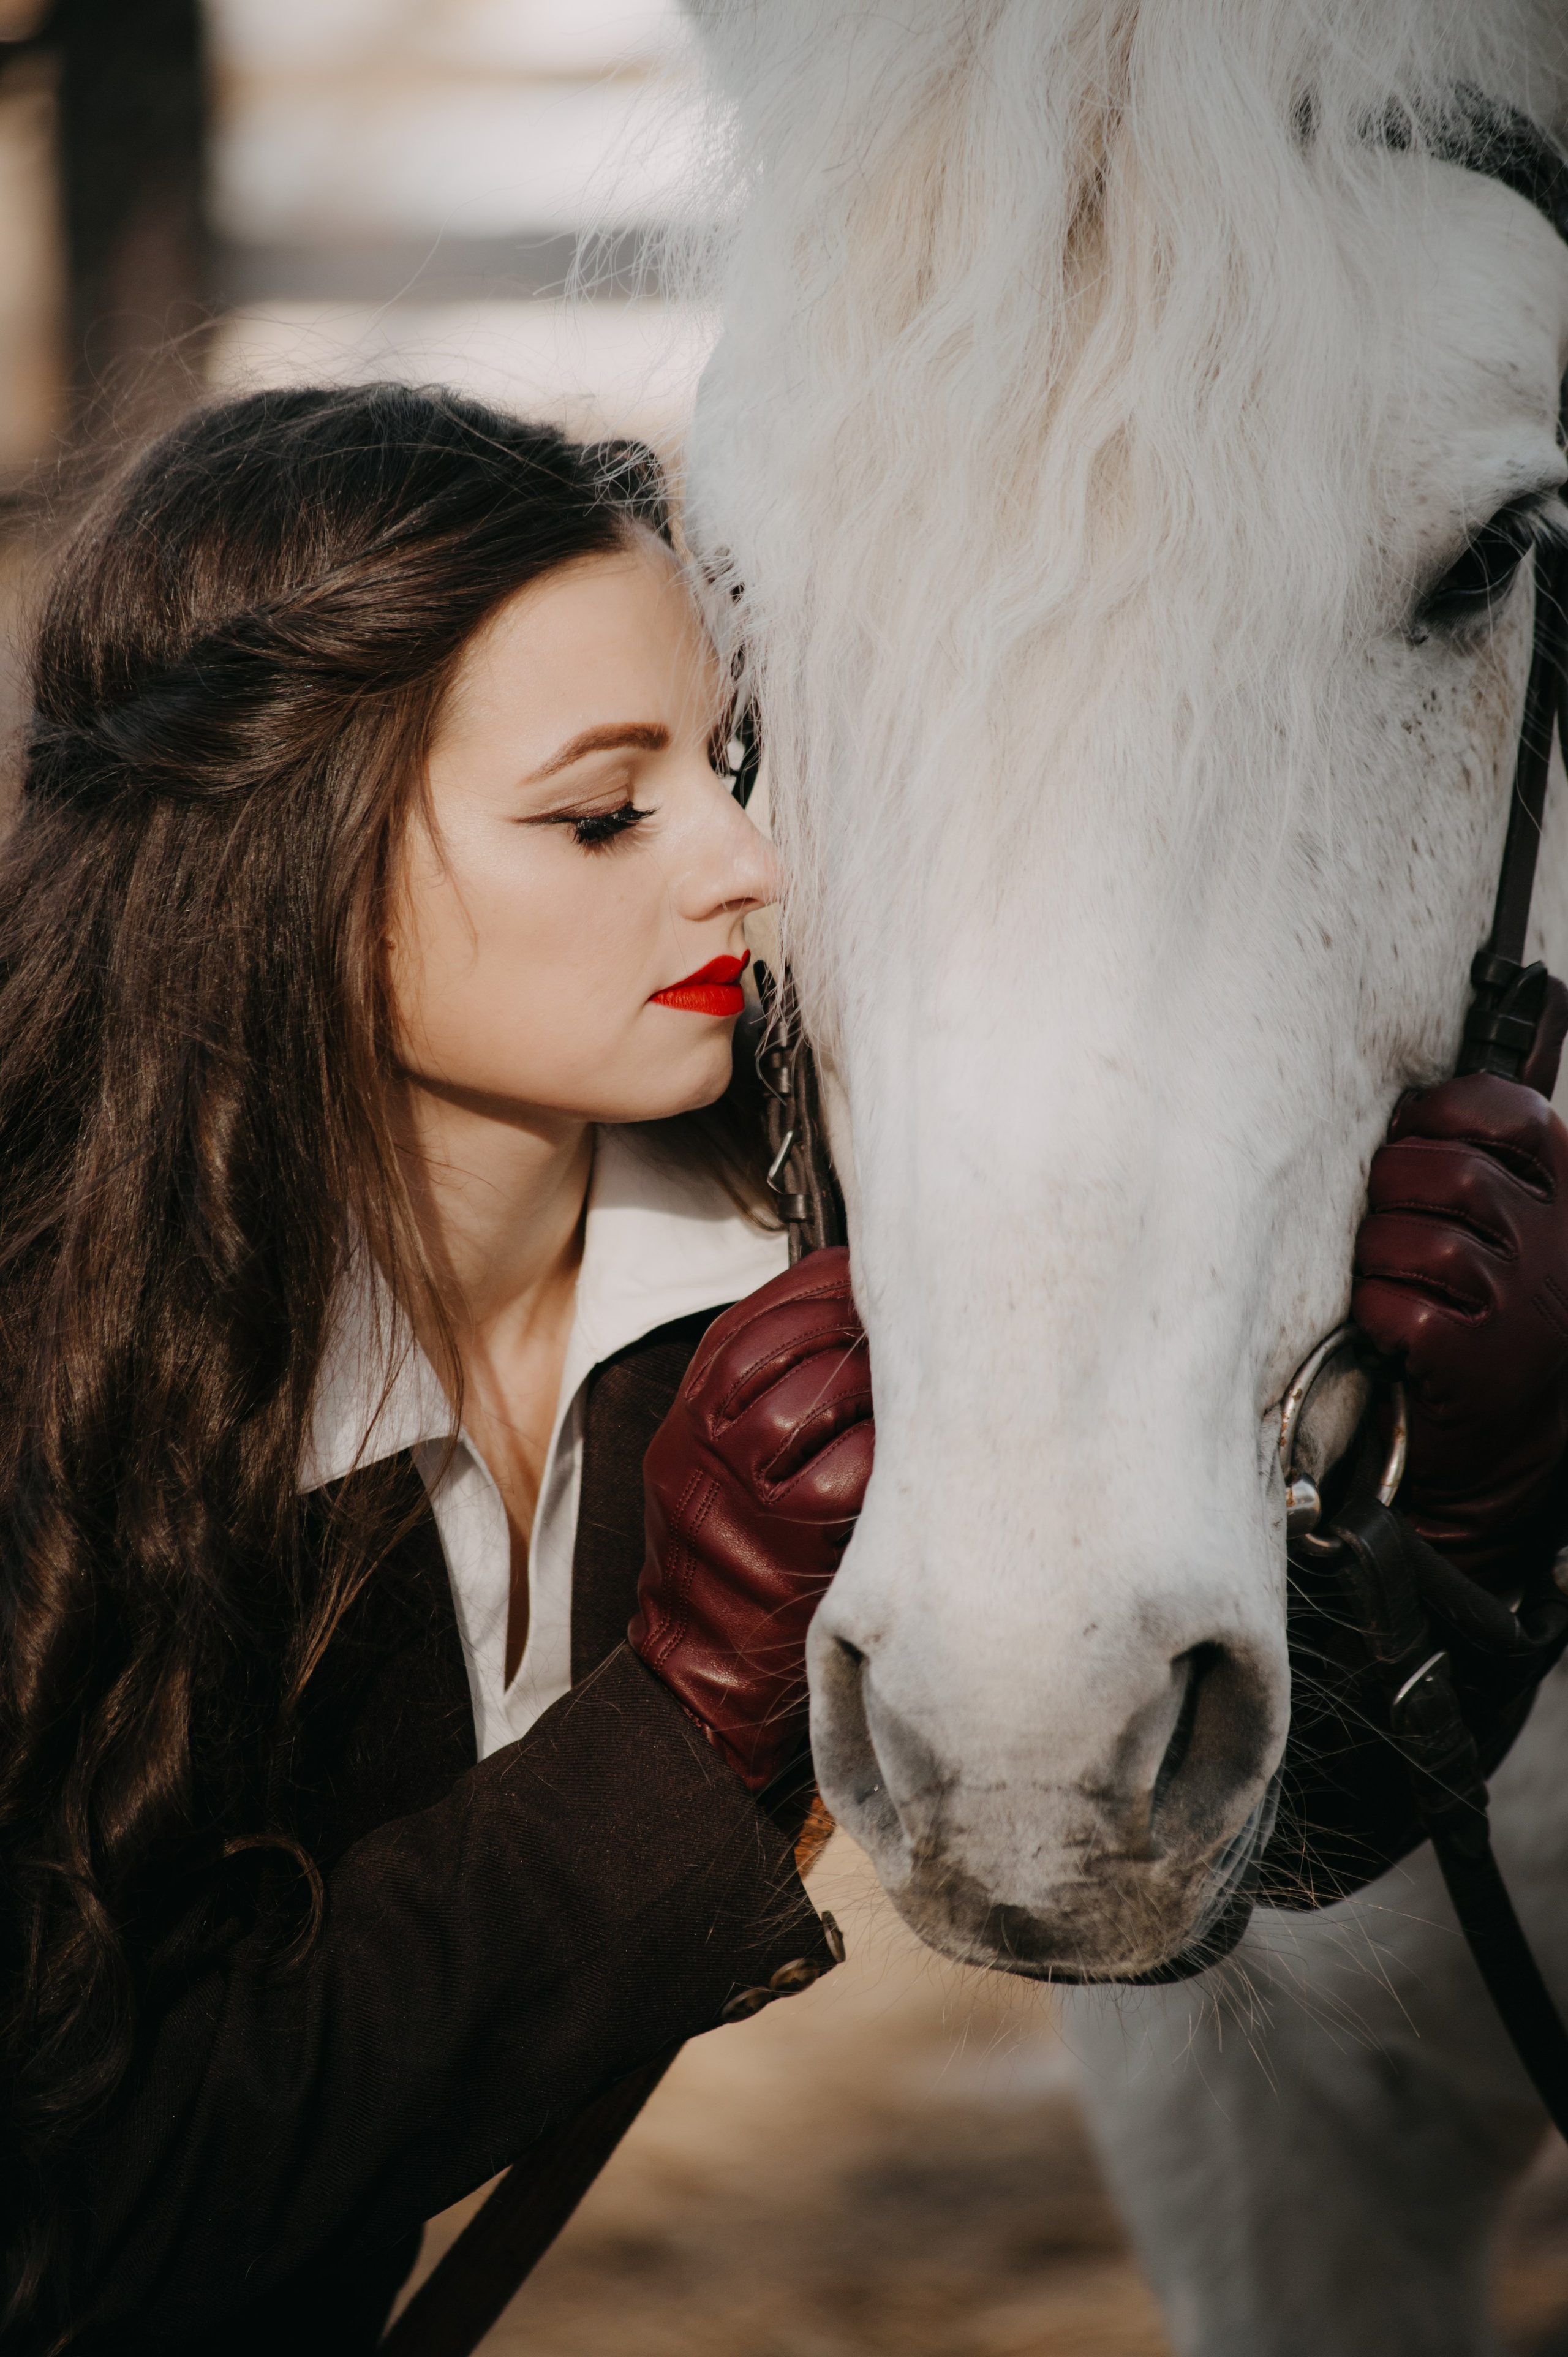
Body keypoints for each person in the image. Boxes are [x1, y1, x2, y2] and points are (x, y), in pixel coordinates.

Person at [0, 383, 871, 2354]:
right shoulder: (54, 1391)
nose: (748, 863)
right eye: (602, 812)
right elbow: (74, 2231)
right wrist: (678, 1739)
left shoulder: (804, 1273)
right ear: (291, 862)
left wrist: (1446, 1504)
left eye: (727, 764)